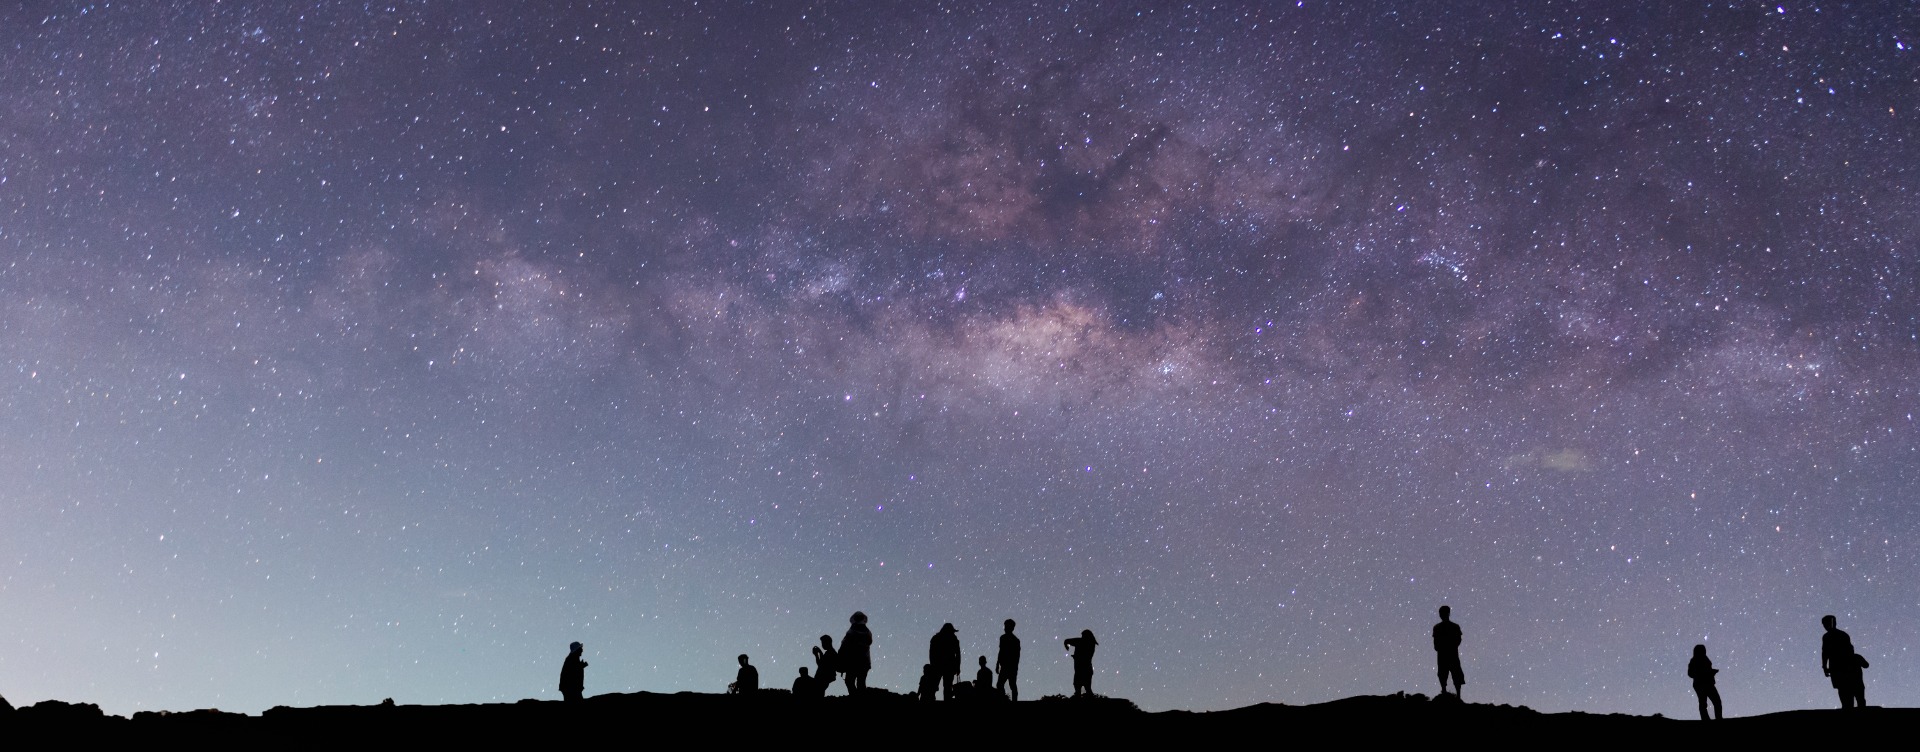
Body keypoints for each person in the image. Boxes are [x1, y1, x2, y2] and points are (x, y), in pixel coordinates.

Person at [1821, 615, 1869, 709]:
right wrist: (1825, 666)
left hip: (1841, 668)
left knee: (1850, 694)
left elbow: (1825, 653)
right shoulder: (1838, 635)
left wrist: (1825, 667)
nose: (1825, 626)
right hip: (1841, 667)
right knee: (1851, 694)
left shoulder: (1829, 636)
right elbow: (1825, 652)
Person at [1433, 606, 1464, 699]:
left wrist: (1443, 646)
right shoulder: (1452, 627)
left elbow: (1458, 640)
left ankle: (1455, 695)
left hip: (1448, 654)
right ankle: (1448, 692)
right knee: (1444, 673)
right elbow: (1458, 640)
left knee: (1454, 673)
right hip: (1447, 654)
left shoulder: (1441, 627)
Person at [1687, 644, 1722, 720]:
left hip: (1706, 683)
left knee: (1715, 702)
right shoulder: (1694, 661)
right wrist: (1704, 673)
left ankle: (1716, 718)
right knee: (1705, 703)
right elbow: (1690, 673)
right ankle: (1706, 719)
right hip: (1702, 684)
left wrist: (1710, 672)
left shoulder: (1704, 659)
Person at [842, 611, 873, 694]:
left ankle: (855, 698)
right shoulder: (867, 632)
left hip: (853, 662)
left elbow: (845, 645)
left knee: (849, 681)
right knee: (861, 682)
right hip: (865, 662)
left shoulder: (851, 631)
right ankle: (860, 698)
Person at [930, 623, 962, 700]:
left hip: (938, 665)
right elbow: (958, 654)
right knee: (947, 687)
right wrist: (957, 667)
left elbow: (931, 653)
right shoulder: (953, 639)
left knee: (934, 686)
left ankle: (930, 700)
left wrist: (932, 664)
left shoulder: (936, 638)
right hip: (948, 666)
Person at [1064, 629, 1098, 697]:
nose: (1082, 637)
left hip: (1082, 669)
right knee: (1086, 686)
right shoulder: (1091, 643)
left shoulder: (1082, 642)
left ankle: (1080, 698)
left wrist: (1077, 657)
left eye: (1083, 635)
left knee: (1079, 685)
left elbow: (1068, 641)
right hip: (1086, 668)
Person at [996, 619, 1021, 701]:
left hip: (1010, 666)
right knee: (1001, 684)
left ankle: (1012, 700)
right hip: (1005, 666)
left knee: (1011, 685)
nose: (1005, 628)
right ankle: (1003, 699)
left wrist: (1014, 667)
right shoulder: (1003, 638)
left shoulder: (1015, 641)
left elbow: (1017, 656)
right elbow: (1001, 651)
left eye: (1006, 626)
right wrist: (997, 664)